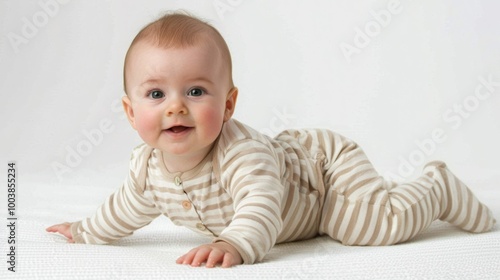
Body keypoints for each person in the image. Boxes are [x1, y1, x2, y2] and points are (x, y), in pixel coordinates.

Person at [46, 12, 496, 268]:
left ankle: (435, 187)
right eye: (156, 94)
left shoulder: (242, 154)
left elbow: (260, 206)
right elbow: (126, 208)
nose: (175, 107)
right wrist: (86, 230)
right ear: (130, 112)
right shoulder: (147, 169)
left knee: (368, 227)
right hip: (303, 205)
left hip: (322, 176)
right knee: (355, 222)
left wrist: (234, 244)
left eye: (196, 91)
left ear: (228, 105)